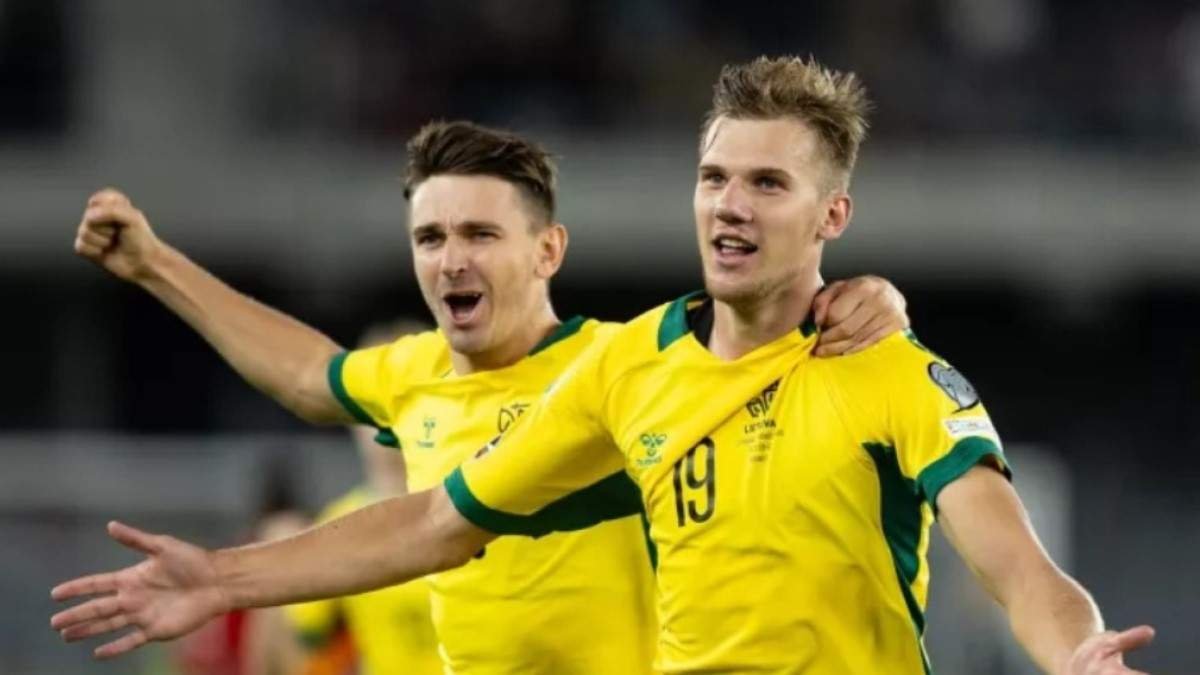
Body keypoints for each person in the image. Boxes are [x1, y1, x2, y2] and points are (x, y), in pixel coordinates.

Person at [59, 115, 909, 673]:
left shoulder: (621, 369)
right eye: (430, 237)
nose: (451, 259)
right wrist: (154, 264)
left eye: (479, 233)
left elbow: (757, 349)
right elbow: (307, 375)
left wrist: (868, 297)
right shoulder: (412, 372)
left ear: (548, 251)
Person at [284, 320, 440, 675]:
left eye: (406, 402)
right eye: (370, 407)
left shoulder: (482, 507)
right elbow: (307, 637)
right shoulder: (336, 526)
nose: (385, 424)